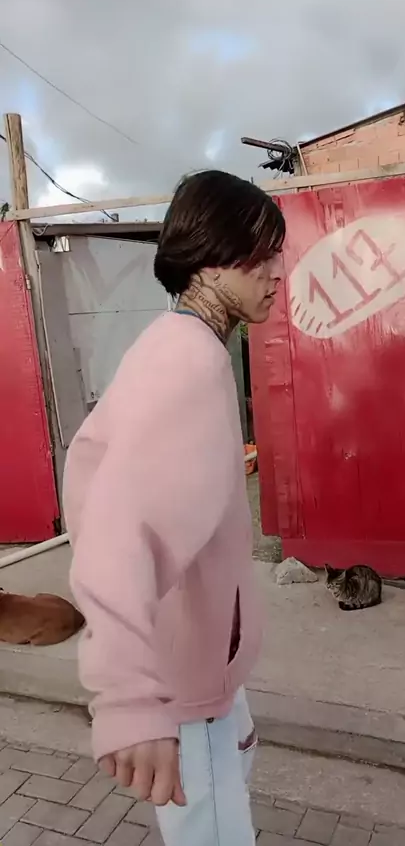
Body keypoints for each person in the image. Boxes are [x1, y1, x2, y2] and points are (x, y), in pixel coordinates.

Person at [63, 169, 286, 846]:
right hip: (186, 690)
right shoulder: (187, 364)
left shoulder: (180, 346)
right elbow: (119, 527)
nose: (278, 273)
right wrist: (130, 698)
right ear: (211, 259)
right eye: (262, 255)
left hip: (203, 675)